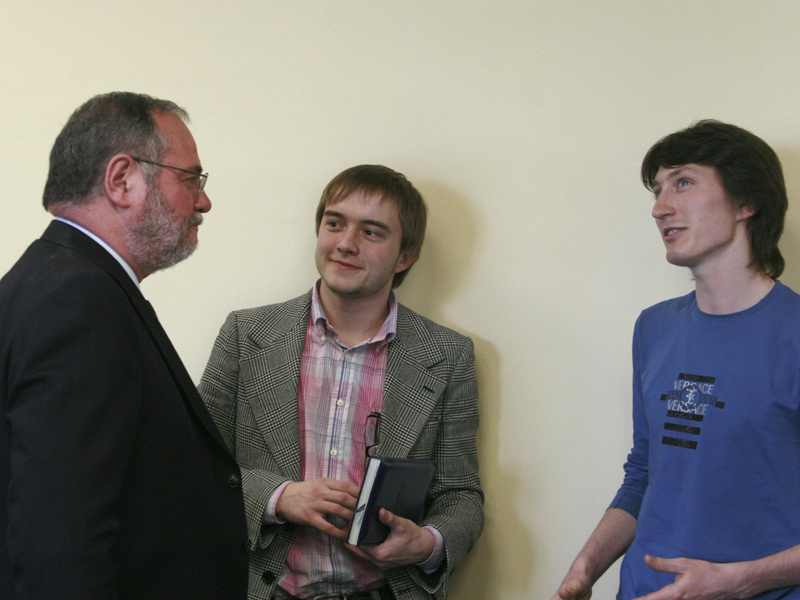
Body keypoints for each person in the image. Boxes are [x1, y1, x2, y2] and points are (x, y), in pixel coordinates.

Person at [0, 92, 249, 600]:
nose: (203, 201)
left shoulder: (47, 280)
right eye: (190, 178)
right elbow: (61, 547)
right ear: (121, 180)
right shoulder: (80, 302)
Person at [199, 164, 484, 600]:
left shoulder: (447, 356)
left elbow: (460, 495)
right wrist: (278, 497)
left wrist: (426, 543)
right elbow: (194, 466)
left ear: (405, 257)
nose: (346, 244)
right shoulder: (246, 335)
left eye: (371, 232)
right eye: (334, 223)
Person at [551, 120, 800, 600]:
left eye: (683, 182)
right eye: (658, 190)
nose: (660, 208)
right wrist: (584, 569)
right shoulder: (654, 327)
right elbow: (645, 473)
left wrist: (738, 581)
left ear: (746, 203)